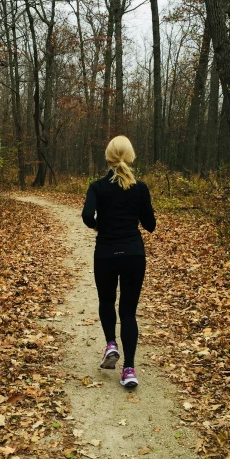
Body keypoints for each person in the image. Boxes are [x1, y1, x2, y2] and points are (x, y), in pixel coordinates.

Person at [81, 136, 156, 388]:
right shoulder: (141, 188)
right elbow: (150, 225)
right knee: (128, 312)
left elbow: (86, 216)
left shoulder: (97, 187)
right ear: (131, 156)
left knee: (106, 301)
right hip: (134, 254)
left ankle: (111, 344)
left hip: (105, 254)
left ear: (108, 157)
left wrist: (100, 225)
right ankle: (129, 370)